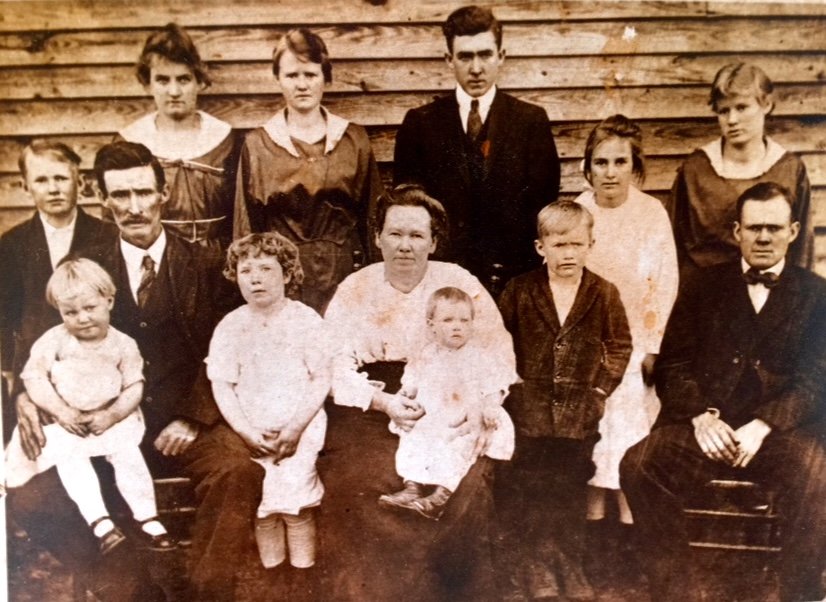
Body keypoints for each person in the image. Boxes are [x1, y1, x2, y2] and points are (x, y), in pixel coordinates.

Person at [11, 141, 257, 601]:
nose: (134, 207)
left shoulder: (204, 262)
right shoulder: (82, 266)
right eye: (120, 195)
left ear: (164, 194)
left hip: (184, 420)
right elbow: (39, 342)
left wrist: (193, 416)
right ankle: (130, 588)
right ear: (103, 200)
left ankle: (206, 590)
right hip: (102, 422)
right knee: (31, 492)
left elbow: (230, 349)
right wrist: (27, 396)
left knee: (237, 470)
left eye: (144, 192)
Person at [621, 182, 826, 602]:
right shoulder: (702, 285)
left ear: (792, 231)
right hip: (706, 428)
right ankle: (676, 592)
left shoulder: (817, 295)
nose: (763, 237)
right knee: (639, 465)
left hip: (779, 435)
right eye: (754, 228)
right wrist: (701, 417)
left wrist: (765, 423)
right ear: (737, 232)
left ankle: (800, 595)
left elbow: (817, 378)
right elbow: (673, 364)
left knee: (816, 476)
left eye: (773, 228)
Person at [322, 184, 516, 601]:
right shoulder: (355, 287)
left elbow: (497, 350)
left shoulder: (458, 281)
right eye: (394, 234)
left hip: (455, 402)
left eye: (416, 235)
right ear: (377, 238)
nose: (405, 245)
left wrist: (483, 403)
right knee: (361, 480)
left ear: (433, 241)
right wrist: (383, 402)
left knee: (466, 480)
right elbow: (331, 364)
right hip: (374, 405)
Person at [497, 201, 632, 601]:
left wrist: (599, 391)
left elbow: (619, 345)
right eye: (559, 245)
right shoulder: (520, 290)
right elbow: (498, 341)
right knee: (532, 488)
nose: (568, 254)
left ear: (590, 245)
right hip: (530, 412)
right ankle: (536, 568)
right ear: (541, 247)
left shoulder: (603, 293)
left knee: (571, 487)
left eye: (576, 244)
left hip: (578, 414)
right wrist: (513, 385)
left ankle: (569, 565)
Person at [5, 258, 175, 554]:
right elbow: (34, 378)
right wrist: (62, 412)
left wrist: (111, 415)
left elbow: (134, 386)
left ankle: (147, 517)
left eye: (90, 308)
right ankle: (100, 523)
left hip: (111, 419)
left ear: (109, 301)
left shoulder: (123, 344)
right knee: (71, 459)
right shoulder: (54, 340)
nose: (82, 318)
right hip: (66, 421)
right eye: (70, 312)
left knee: (128, 456)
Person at [393, 5, 560, 293]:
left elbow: (543, 204)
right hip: (442, 279)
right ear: (449, 59)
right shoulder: (420, 123)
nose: (476, 68)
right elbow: (409, 206)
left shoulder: (530, 121)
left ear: (501, 56)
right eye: (465, 56)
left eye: (485, 54)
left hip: (513, 279)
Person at [572, 115, 679, 537]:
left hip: (635, 347)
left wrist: (652, 347)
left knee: (630, 437)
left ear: (635, 166)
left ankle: (631, 539)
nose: (610, 173)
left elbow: (664, 284)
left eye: (620, 162)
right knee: (595, 444)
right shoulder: (580, 211)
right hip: (589, 345)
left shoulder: (651, 214)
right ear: (588, 167)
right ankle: (596, 538)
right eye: (601, 163)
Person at [234, 27, 382, 312]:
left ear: (325, 76)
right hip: (283, 279)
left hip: (345, 274)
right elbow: (246, 228)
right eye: (292, 75)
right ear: (278, 78)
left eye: (311, 74)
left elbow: (374, 218)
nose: (302, 85)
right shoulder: (258, 144)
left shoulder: (353, 139)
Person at [206, 232, 330, 571]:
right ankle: (273, 576)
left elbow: (321, 378)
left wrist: (294, 429)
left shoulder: (305, 320)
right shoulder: (231, 326)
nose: (255, 278)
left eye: (266, 269)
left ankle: (302, 575)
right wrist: (246, 432)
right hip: (253, 433)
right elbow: (222, 385)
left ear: (287, 274)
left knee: (296, 506)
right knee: (265, 508)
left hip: (299, 430)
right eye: (246, 271)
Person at [0, 140, 116, 440]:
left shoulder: (108, 237)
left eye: (61, 178)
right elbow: (6, 322)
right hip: (35, 378)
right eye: (41, 180)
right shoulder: (11, 245)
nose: (53, 189)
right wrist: (20, 390)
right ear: (26, 187)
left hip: (99, 374)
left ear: (80, 183)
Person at [379, 286, 517, 520]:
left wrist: (491, 405)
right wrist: (408, 391)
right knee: (413, 439)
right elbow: (412, 378)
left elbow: (496, 384)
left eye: (464, 320)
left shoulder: (479, 355)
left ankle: (441, 496)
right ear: (431, 325)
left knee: (457, 445)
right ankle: (412, 487)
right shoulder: (426, 354)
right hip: (432, 414)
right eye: (448, 320)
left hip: (464, 418)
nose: (457, 326)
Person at [668, 62, 813, 280]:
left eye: (742, 107)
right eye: (724, 111)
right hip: (707, 292)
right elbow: (670, 245)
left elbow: (803, 251)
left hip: (773, 290)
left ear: (766, 105)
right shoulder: (695, 170)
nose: (732, 120)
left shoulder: (790, 169)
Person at [117, 22, 240, 254]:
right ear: (147, 84)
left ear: (199, 82)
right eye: (162, 80)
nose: (174, 91)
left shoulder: (225, 139)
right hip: (155, 260)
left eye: (183, 79)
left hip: (218, 260)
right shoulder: (129, 142)